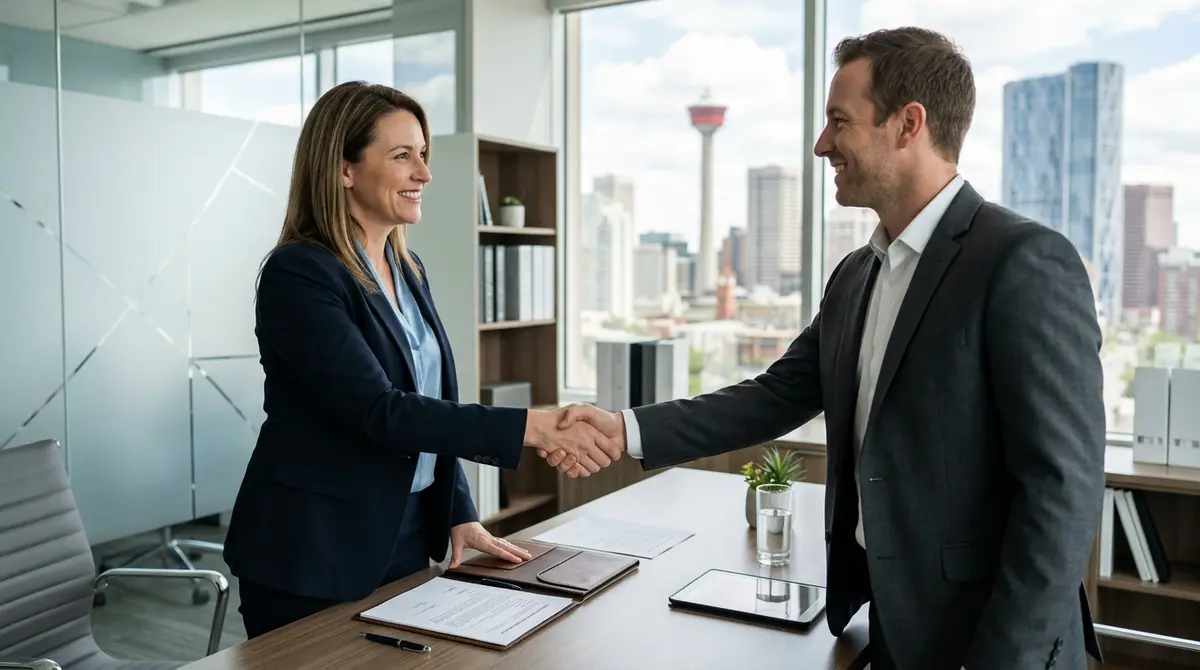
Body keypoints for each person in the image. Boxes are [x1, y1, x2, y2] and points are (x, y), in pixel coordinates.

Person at [552, 27, 1106, 670]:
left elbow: (1061, 492)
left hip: (989, 639)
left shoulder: (1022, 261)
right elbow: (776, 395)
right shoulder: (856, 273)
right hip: (889, 621)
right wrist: (625, 431)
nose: (822, 145)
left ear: (908, 124)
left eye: (839, 122)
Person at [222, 81, 618, 639]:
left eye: (423, 155)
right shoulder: (300, 274)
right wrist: (535, 427)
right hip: (312, 545)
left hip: (405, 532)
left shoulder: (408, 270)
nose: (424, 175)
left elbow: (429, 406)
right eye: (403, 156)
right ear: (343, 170)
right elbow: (380, 412)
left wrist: (457, 508)